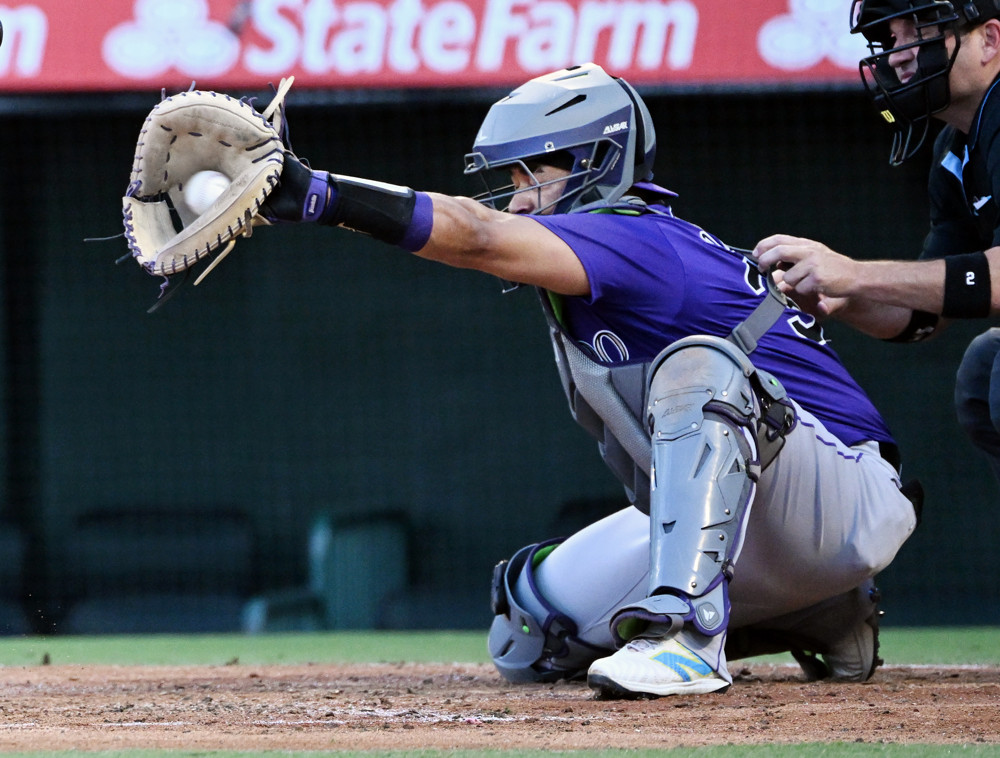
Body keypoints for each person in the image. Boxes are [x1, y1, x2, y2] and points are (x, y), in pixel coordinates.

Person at [260, 63, 917, 699]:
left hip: (846, 493)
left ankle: (687, 634)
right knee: (525, 633)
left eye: (530, 174)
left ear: (593, 163)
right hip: (770, 520)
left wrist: (320, 195)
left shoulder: (635, 235)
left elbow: (480, 235)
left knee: (699, 368)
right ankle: (822, 611)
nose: (516, 198)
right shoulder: (595, 265)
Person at [753, 0, 1000, 488]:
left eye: (919, 32)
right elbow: (923, 318)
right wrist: (843, 298)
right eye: (890, 40)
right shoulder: (955, 149)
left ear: (990, 40)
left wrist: (857, 272)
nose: (898, 56)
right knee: (982, 371)